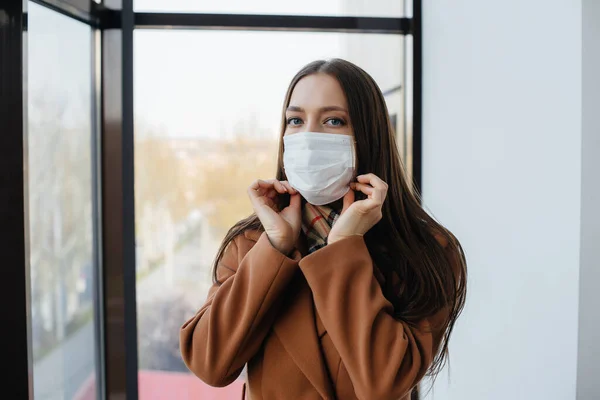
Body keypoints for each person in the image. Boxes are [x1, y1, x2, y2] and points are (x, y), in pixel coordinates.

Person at [180, 58, 467, 400]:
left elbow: (385, 383)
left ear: (367, 134)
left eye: (333, 120)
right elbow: (209, 363)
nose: (309, 136)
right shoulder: (252, 242)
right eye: (296, 120)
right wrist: (275, 247)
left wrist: (345, 246)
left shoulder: (426, 248)